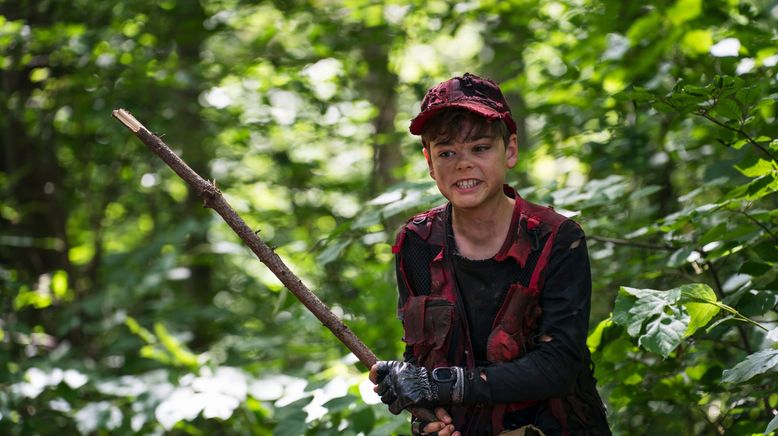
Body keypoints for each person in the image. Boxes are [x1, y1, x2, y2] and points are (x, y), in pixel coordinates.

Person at [368, 73, 611, 436]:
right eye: (447, 153)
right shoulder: (417, 242)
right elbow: (419, 359)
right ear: (430, 163)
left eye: (480, 148)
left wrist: (443, 384)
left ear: (510, 150)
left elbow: (558, 366)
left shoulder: (557, 238)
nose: (463, 164)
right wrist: (422, 408)